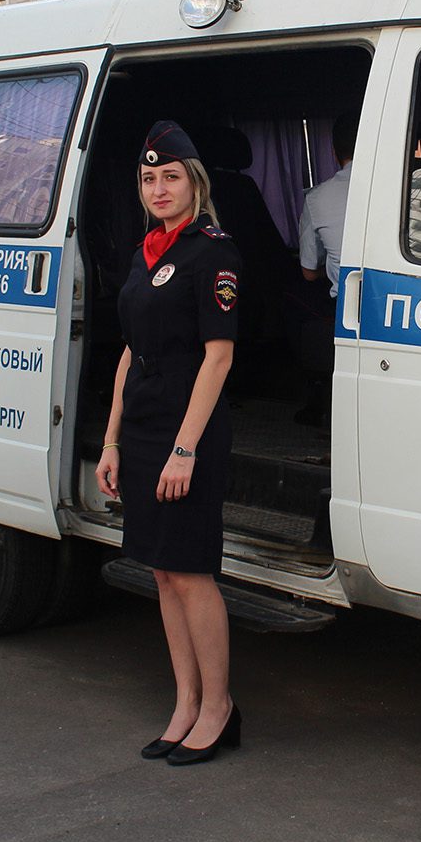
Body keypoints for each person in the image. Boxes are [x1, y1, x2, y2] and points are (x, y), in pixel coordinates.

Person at [95, 121, 244, 766]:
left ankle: (219, 707)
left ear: (195, 182)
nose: (158, 188)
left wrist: (184, 450)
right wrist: (110, 441)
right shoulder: (145, 252)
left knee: (191, 571)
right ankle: (184, 702)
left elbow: (218, 359)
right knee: (161, 571)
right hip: (144, 427)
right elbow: (130, 350)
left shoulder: (214, 252)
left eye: (170, 176)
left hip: (191, 431)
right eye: (149, 178)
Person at [294, 110, 355, 425]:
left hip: (346, 308)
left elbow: (307, 271)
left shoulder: (317, 198)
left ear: (334, 152)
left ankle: (315, 399)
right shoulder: (411, 190)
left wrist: (333, 268)